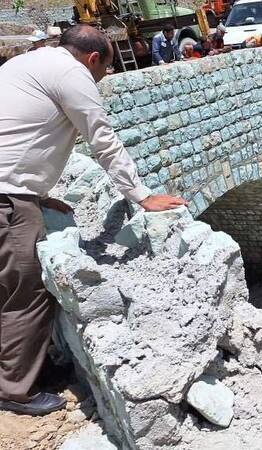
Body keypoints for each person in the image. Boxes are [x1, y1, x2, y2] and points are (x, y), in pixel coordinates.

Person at [0, 24, 186, 416]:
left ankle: (17, 366)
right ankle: (15, 389)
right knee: (26, 293)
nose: (104, 77)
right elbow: (102, 139)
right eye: (105, 69)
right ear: (93, 58)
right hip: (8, 201)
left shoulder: (29, 63)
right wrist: (141, 195)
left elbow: (16, 134)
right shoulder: (72, 74)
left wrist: (38, 194)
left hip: (13, 192)